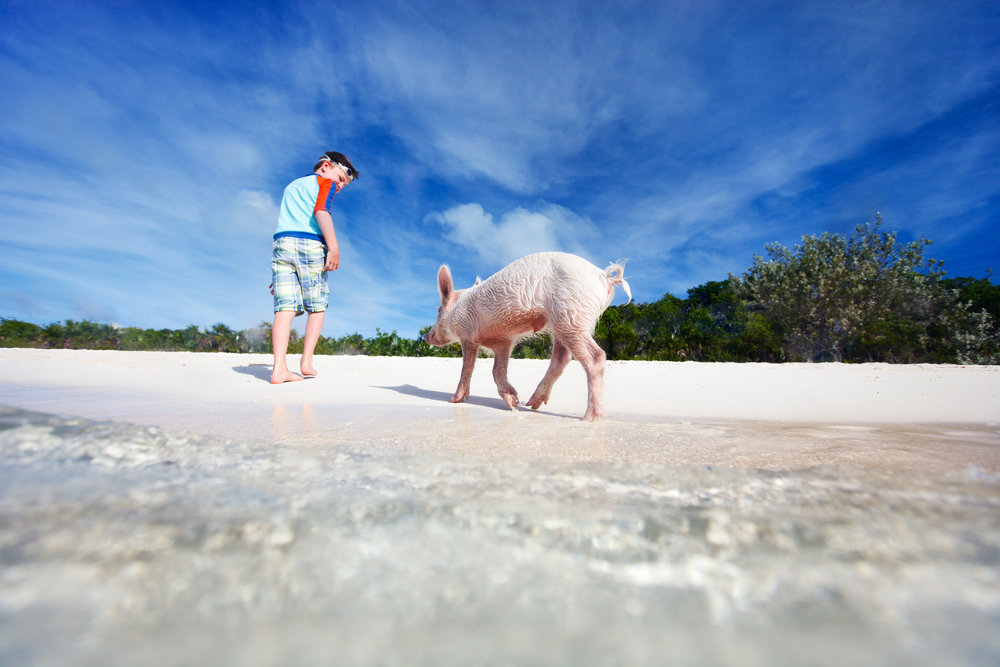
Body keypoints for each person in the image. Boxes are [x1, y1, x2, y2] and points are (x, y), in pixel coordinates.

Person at [269, 151, 359, 384]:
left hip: (282, 245)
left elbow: (289, 221)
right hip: (310, 244)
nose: (339, 186)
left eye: (343, 185)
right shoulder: (324, 183)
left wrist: (279, 273)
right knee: (317, 307)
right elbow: (321, 211)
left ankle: (279, 368)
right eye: (340, 179)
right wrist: (334, 246)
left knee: (284, 308)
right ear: (326, 166)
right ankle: (306, 361)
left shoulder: (292, 186)